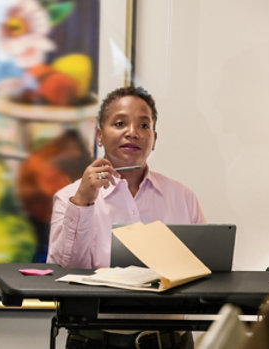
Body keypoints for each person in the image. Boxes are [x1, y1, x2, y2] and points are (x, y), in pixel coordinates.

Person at [47, 86, 205, 348]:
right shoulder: (70, 197)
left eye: (144, 126)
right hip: (96, 341)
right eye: (120, 123)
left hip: (172, 341)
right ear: (99, 135)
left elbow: (203, 270)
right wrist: (83, 202)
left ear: (154, 138)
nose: (133, 132)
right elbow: (62, 272)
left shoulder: (183, 197)